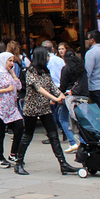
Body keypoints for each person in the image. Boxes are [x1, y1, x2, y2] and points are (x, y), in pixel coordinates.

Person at [13, 46, 79, 176]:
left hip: (44, 108)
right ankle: (18, 163)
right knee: (28, 135)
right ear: (42, 57)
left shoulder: (45, 71)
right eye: (47, 56)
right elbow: (39, 88)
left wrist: (61, 95)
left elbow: (51, 86)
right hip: (31, 109)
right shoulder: (30, 72)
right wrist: (54, 98)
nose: (49, 58)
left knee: (54, 136)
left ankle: (63, 164)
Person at [0, 52, 24, 168]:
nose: (12, 63)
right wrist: (6, 90)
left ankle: (13, 153)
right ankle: (0, 158)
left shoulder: (9, 73)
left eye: (12, 61)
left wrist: (13, 74)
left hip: (11, 109)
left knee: (19, 127)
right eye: (9, 61)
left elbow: (19, 86)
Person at [60, 49, 88, 152]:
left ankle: (73, 142)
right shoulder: (81, 68)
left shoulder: (66, 69)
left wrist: (58, 95)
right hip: (82, 96)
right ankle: (83, 142)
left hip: (70, 97)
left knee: (63, 118)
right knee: (80, 120)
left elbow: (63, 85)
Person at [85, 29, 100, 114]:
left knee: (99, 114)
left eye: (88, 39)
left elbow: (87, 72)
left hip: (96, 87)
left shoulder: (91, 53)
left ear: (92, 40)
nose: (87, 41)